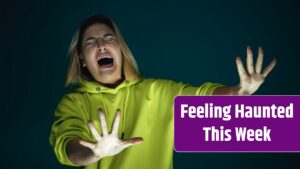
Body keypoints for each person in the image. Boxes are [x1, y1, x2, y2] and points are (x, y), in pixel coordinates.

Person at [49, 15, 276, 169]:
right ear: (82, 60)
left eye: (109, 38)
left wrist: (237, 93)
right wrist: (96, 152)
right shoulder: (73, 103)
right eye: (91, 41)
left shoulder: (156, 91)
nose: (101, 45)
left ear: (121, 50)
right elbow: (67, 148)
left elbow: (201, 98)